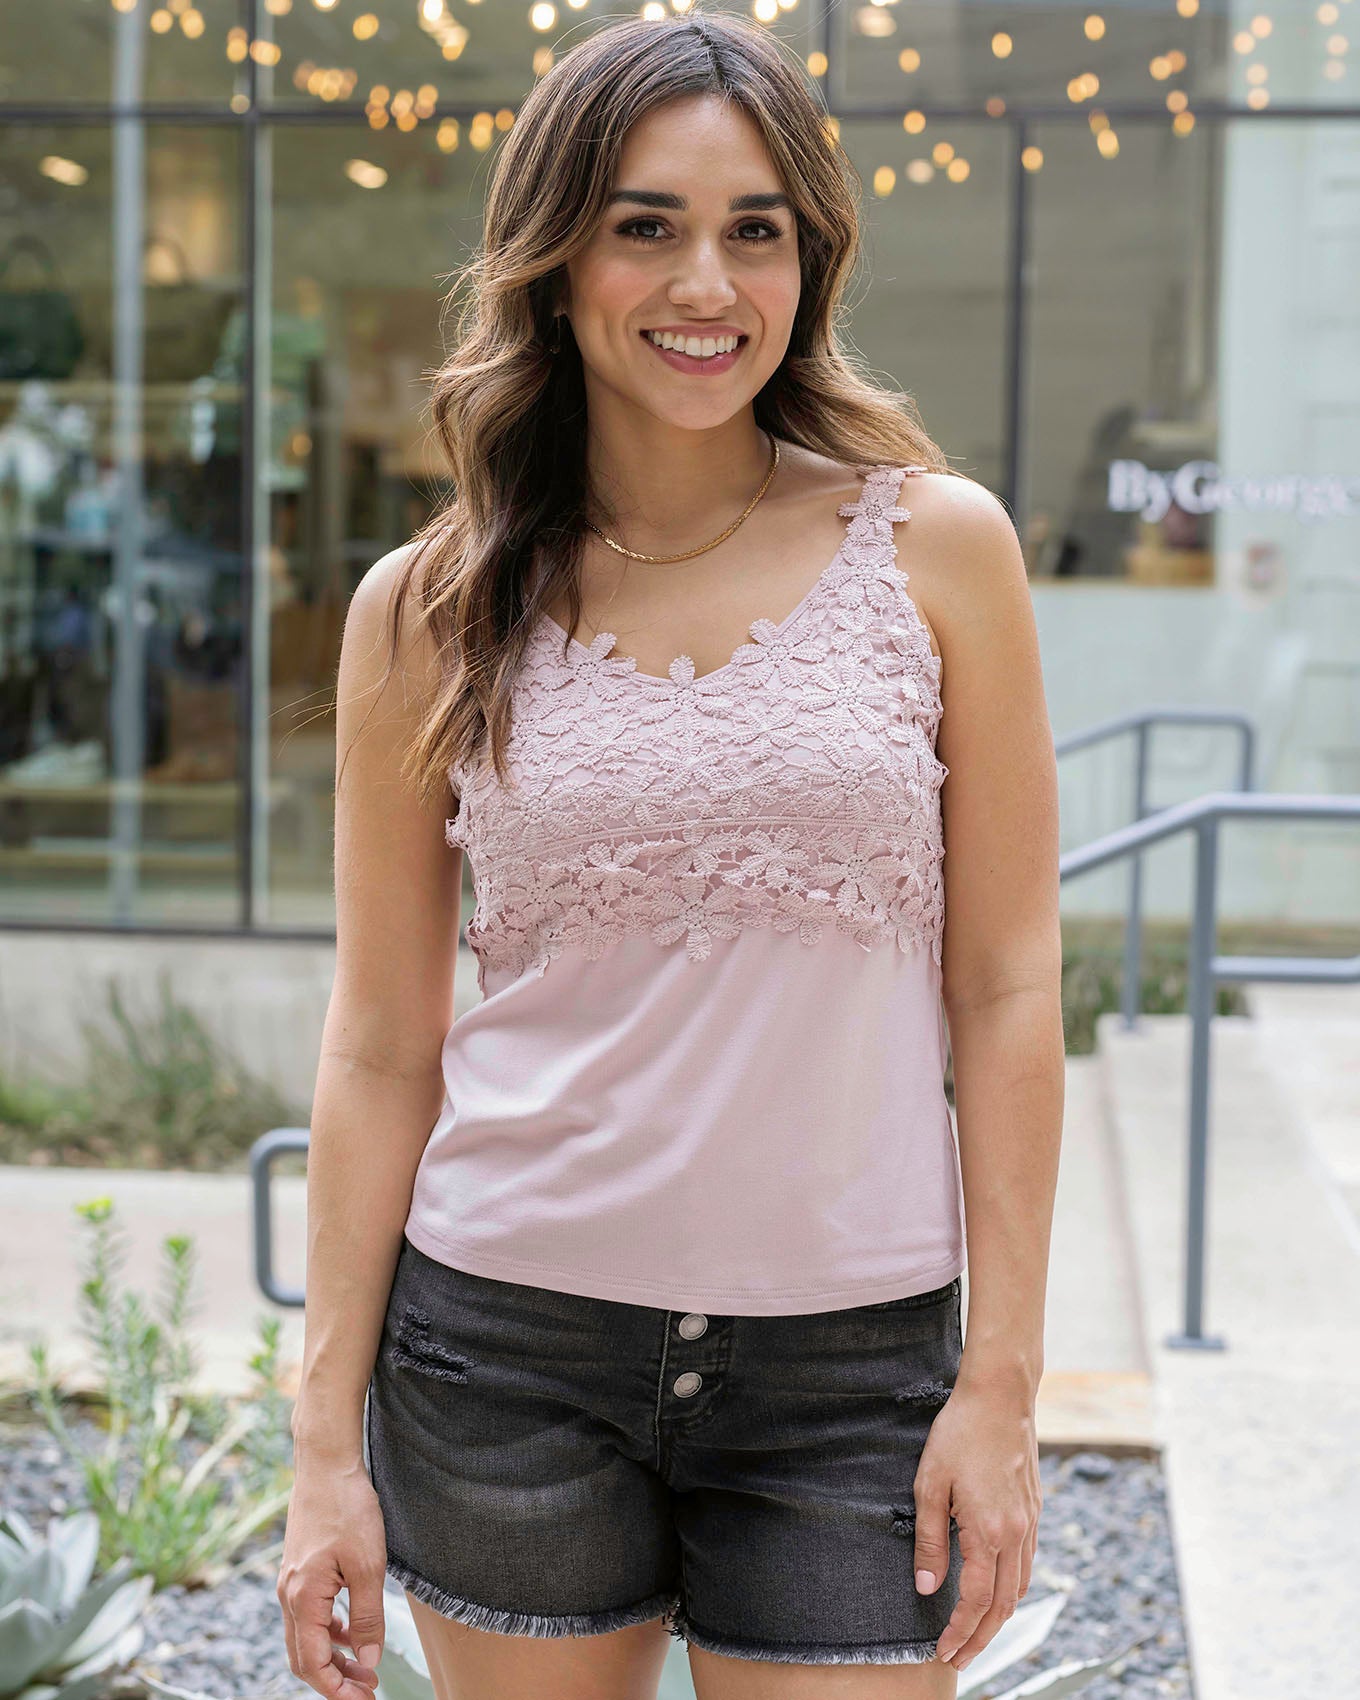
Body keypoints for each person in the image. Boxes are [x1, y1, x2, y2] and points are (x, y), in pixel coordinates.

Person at [278, 11, 1063, 1699]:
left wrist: (1000, 1380)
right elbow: (378, 1041)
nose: (706, 283)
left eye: (753, 229)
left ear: (808, 261)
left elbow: (1006, 988)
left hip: (856, 1372)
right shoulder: (426, 610)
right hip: (506, 1349)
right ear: (556, 263)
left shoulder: (939, 552)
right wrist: (322, 1445)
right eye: (646, 224)